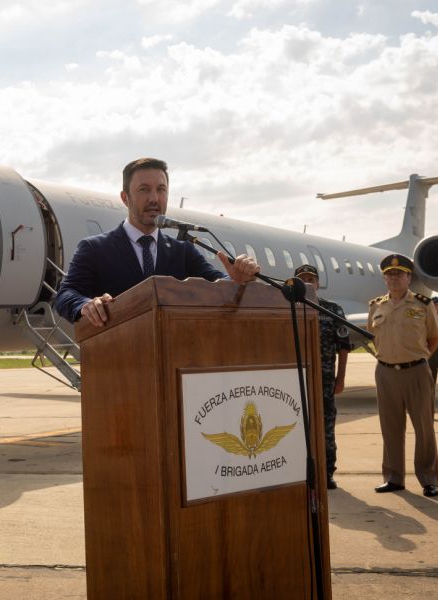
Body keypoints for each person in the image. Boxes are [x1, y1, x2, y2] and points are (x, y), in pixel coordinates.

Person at [54, 157, 260, 326]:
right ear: (125, 198)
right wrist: (85, 304)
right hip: (118, 362)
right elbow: (65, 294)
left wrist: (234, 279)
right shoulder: (95, 248)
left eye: (161, 189)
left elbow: (214, 282)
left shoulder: (183, 251)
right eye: (144, 189)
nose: (154, 198)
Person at [367, 253, 438, 497]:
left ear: (409, 278)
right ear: (384, 279)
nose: (394, 278)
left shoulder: (422, 304)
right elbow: (373, 336)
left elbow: (434, 338)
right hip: (386, 372)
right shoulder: (376, 306)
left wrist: (420, 361)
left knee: (424, 428)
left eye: (399, 274)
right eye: (389, 274)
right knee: (390, 428)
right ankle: (393, 478)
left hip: (416, 372)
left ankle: (428, 479)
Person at [294, 264, 351, 490]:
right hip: (297, 381)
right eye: (303, 279)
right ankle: (301, 472)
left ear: (318, 283)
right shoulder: (290, 308)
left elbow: (344, 347)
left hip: (325, 381)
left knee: (327, 427)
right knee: (297, 426)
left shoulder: (332, 310)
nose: (308, 282)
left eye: (311, 279)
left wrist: (341, 379)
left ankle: (327, 472)